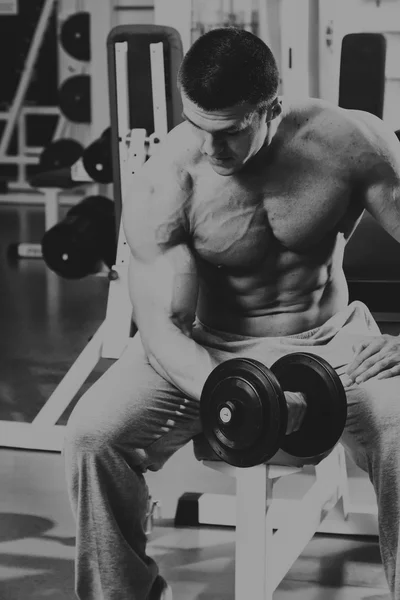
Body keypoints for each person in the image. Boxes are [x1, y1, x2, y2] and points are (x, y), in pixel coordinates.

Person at [63, 27, 400, 600]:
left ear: (272, 106)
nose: (210, 148)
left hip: (332, 341)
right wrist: (251, 393)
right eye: (197, 126)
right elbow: (162, 331)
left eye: (230, 131)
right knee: (92, 437)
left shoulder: (350, 140)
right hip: (209, 347)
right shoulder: (167, 179)